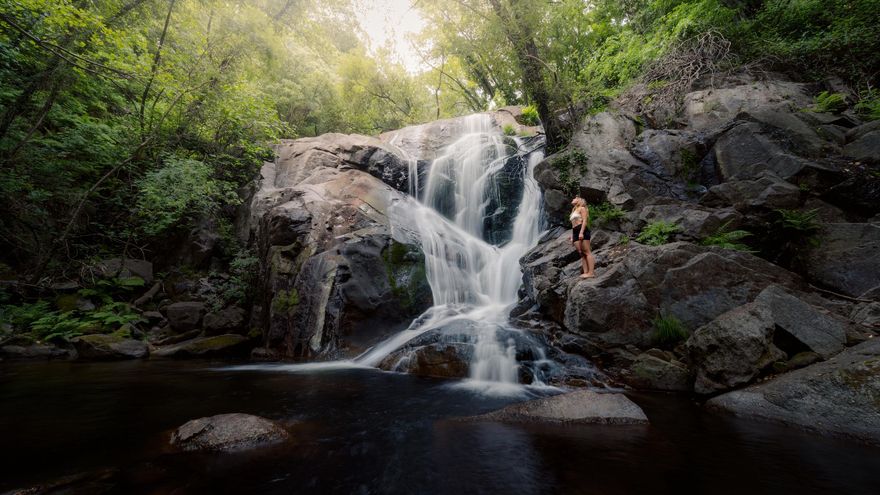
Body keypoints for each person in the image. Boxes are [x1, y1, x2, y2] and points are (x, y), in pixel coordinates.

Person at [570, 197, 595, 279]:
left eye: (575, 198)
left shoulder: (582, 208)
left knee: (587, 252)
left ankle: (591, 273)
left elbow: (584, 221)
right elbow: (573, 224)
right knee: (581, 253)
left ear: (579, 201)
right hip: (575, 231)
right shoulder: (574, 210)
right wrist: (572, 236)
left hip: (582, 230)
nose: (573, 199)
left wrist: (581, 232)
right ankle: (585, 272)